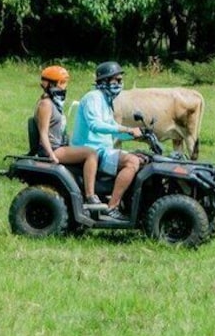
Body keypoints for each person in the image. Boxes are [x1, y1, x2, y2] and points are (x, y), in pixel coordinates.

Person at [71, 61, 143, 221]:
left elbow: (112, 128)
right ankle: (112, 207)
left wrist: (136, 135)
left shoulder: (106, 101)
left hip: (103, 150)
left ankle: (128, 202)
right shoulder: (93, 98)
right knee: (132, 162)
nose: (119, 84)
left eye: (120, 81)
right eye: (115, 80)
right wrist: (125, 130)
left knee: (142, 158)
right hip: (91, 151)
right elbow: (95, 125)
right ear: (104, 81)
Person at [34, 65, 104, 208]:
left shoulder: (54, 103)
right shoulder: (45, 105)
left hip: (59, 146)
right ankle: (90, 196)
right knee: (91, 154)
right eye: (63, 83)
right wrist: (51, 155)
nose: (65, 87)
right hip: (53, 149)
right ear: (54, 83)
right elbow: (43, 133)